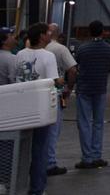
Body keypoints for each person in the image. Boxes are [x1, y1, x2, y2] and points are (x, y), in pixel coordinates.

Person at [16, 23, 62, 195]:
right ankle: (37, 188)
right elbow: (53, 81)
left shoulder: (20, 54)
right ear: (42, 36)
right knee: (40, 149)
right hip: (40, 107)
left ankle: (17, 184)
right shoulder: (48, 56)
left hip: (22, 106)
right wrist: (62, 82)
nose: (50, 35)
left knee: (21, 149)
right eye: (48, 32)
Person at [73, 20, 110, 170]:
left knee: (84, 123)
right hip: (100, 88)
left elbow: (77, 66)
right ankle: (97, 155)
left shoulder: (82, 49)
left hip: (84, 89)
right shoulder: (109, 49)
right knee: (98, 123)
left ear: (89, 32)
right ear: (102, 31)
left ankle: (87, 158)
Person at [44, 22, 78, 176]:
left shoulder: (35, 49)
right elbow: (72, 69)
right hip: (55, 93)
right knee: (53, 130)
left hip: (37, 95)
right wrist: (68, 89)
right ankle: (50, 163)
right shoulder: (60, 49)